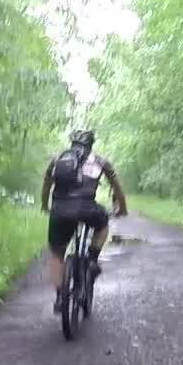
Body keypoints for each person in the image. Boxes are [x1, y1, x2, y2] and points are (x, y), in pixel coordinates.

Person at [41, 129, 128, 313]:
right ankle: (92, 259)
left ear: (72, 144)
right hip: (87, 209)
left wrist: (45, 205)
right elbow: (117, 187)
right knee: (103, 224)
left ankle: (59, 297)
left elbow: (46, 185)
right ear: (90, 144)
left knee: (57, 255)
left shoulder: (58, 160)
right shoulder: (99, 161)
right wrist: (122, 208)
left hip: (60, 210)